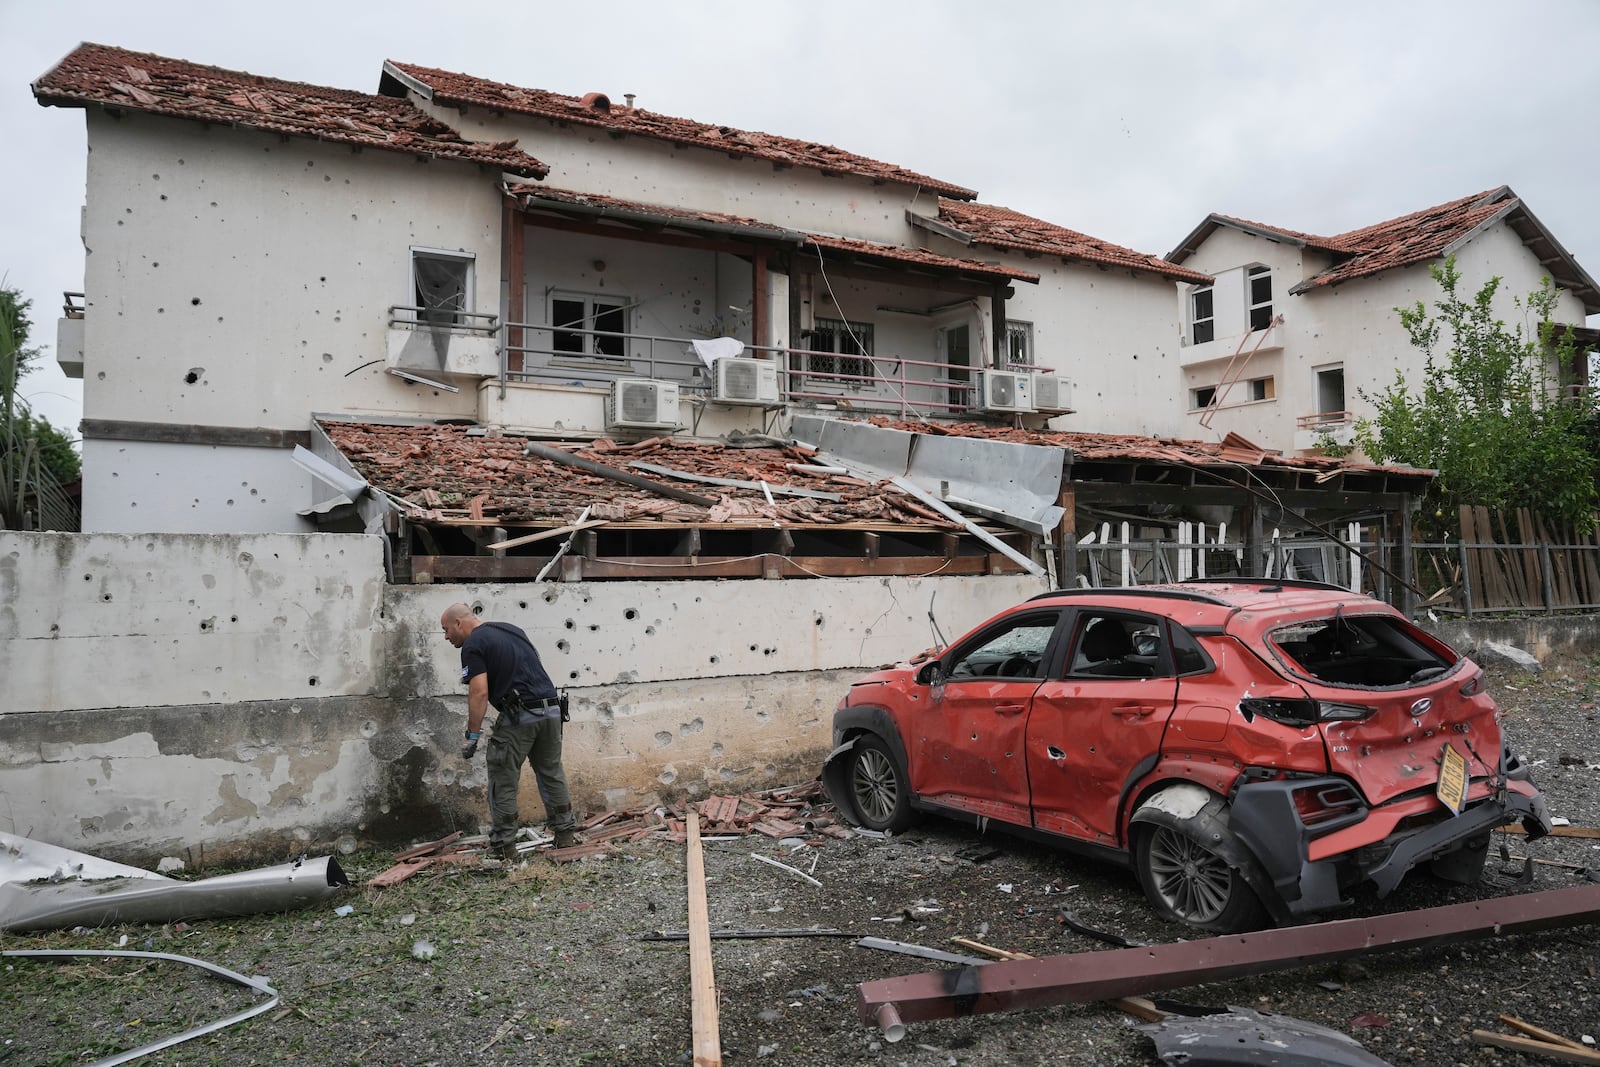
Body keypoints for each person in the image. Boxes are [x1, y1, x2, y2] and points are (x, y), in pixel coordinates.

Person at [440, 602, 580, 857]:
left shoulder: (473, 645)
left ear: (459, 623)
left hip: (520, 716)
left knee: (503, 778)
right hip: (551, 711)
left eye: (446, 629)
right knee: (551, 773)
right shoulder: (512, 629)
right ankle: (566, 836)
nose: (446, 637)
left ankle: (504, 847)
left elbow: (479, 691)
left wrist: (472, 735)